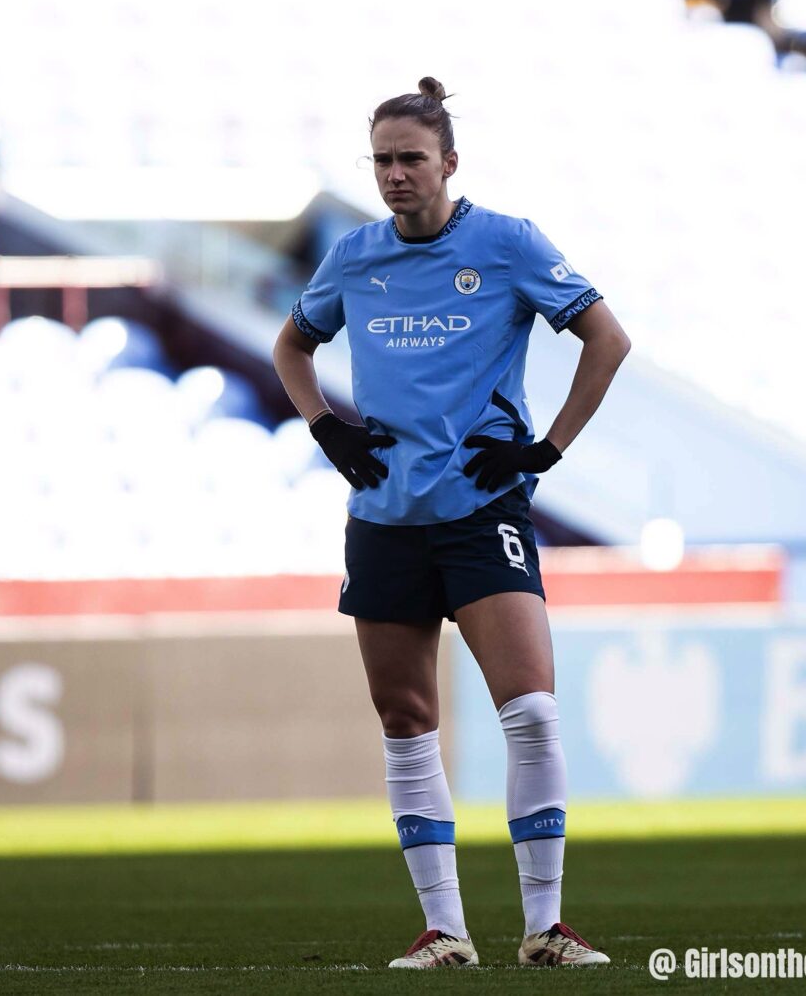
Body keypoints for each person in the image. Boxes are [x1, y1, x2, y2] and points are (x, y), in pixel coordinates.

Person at [272, 77, 631, 969]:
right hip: (385, 516)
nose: (395, 175)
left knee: (532, 712)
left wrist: (543, 452)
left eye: (411, 159)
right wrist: (327, 430)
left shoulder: (506, 244)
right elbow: (291, 346)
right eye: (383, 160)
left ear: (449, 163)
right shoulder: (355, 256)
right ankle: (447, 933)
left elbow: (607, 339)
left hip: (481, 509)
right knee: (405, 720)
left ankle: (544, 927)